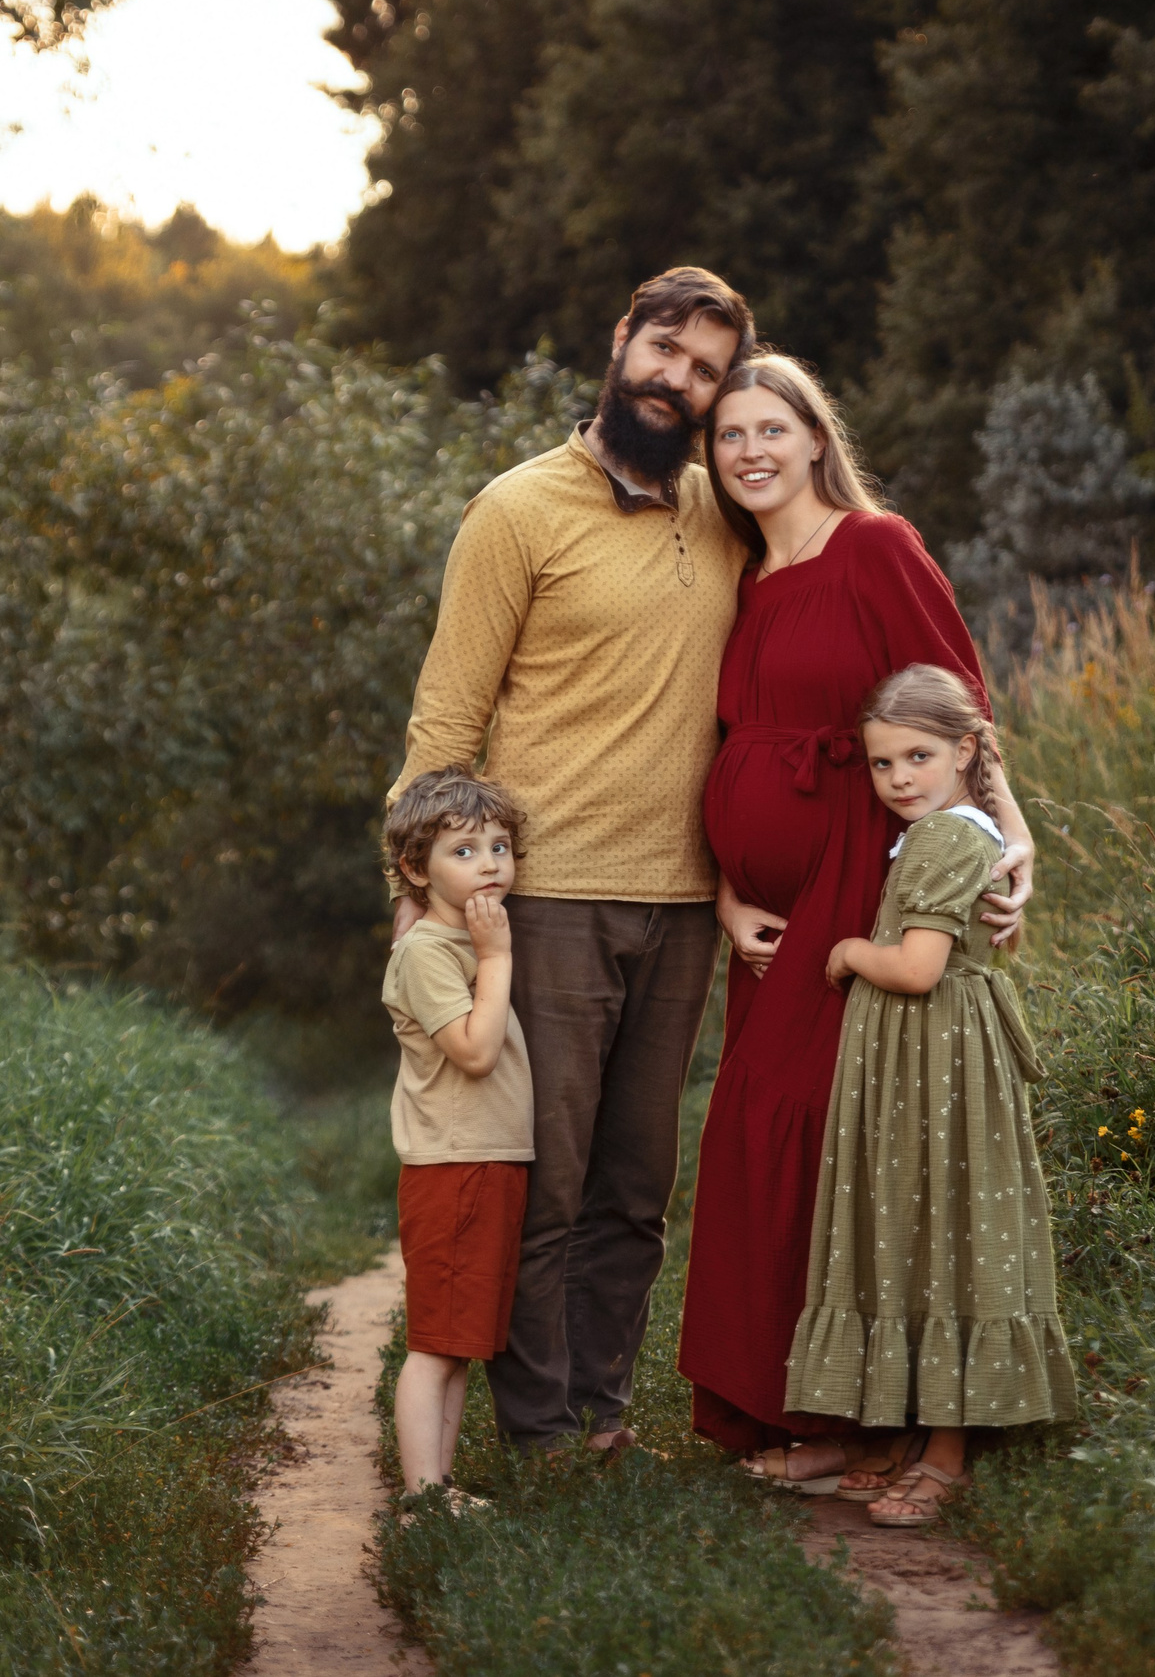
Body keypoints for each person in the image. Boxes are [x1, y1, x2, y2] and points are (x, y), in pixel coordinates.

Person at [390, 268, 756, 1451]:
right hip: (536, 899)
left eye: (705, 368)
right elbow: (447, 722)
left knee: (635, 1183)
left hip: (683, 902)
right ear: (621, 341)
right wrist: (415, 907)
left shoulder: (724, 512)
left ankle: (602, 1409)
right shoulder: (517, 509)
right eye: (664, 350)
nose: (677, 379)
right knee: (542, 1179)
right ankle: (537, 1425)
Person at [678, 354, 1035, 1489]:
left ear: (814, 434)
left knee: (851, 1133)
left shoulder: (874, 546)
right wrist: (729, 890)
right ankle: (809, 1409)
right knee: (759, 1132)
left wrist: (1008, 842)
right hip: (768, 910)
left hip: (861, 877)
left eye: (770, 427)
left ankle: (897, 1418)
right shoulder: (743, 577)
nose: (750, 451)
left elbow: (957, 699)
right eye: (729, 435)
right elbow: (730, 750)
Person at [787, 664, 1077, 1526]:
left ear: (964, 750)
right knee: (918, 1228)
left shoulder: (951, 837)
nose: (900, 778)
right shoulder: (943, 832)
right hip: (926, 1060)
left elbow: (916, 969)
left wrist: (845, 953)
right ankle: (906, 1435)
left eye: (918, 756)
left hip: (939, 1059)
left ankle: (948, 1452)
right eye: (882, 765)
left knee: (948, 1231)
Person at [380, 767, 538, 1496]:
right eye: (465, 851)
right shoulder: (428, 954)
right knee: (435, 1346)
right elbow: (474, 1053)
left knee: (461, 1344)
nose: (489, 866)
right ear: (416, 868)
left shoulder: (467, 944)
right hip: (454, 1165)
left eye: (500, 848)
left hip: (490, 1159)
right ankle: (420, 1499)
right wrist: (499, 958)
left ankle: (437, 1489)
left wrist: (491, 954)